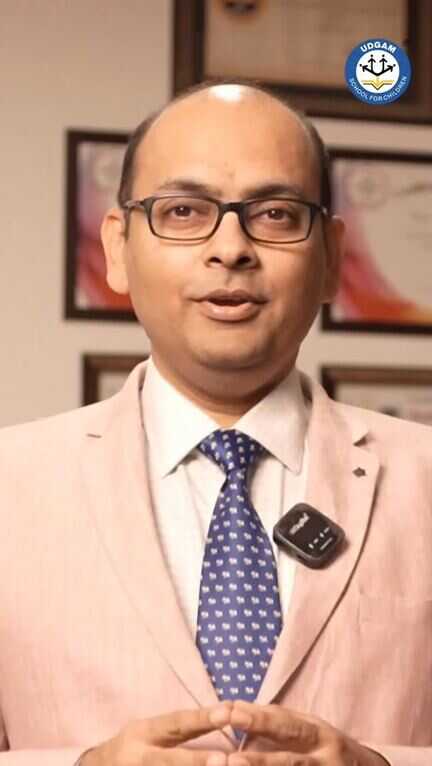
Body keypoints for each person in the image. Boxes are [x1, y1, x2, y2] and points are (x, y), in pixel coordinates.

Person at [0, 81, 431, 766]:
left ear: (331, 258)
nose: (230, 248)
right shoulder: (9, 485)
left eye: (277, 215)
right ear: (118, 248)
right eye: (182, 211)